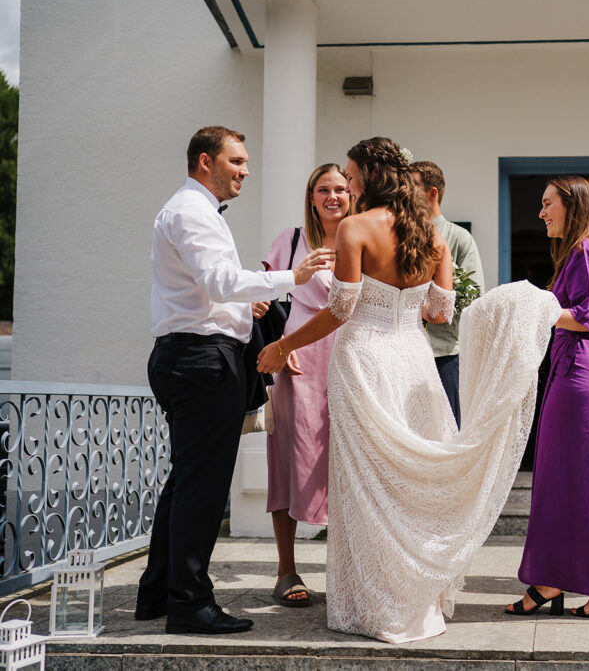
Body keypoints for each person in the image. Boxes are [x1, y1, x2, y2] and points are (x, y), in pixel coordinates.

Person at [256, 137, 561, 643]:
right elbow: (440, 312)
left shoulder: (355, 228)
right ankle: (412, 596)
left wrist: (282, 344)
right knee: (407, 484)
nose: (348, 184)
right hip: (414, 361)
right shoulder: (431, 234)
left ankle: (375, 601)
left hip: (364, 361)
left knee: (366, 483)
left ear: (371, 176)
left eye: (351, 176)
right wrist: (401, 303)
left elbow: (340, 310)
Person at [139, 125, 334, 634]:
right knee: (202, 489)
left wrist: (247, 307)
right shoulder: (192, 212)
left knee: (186, 482)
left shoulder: (193, 210)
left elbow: (209, 292)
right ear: (206, 161)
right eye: (237, 161)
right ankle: (189, 604)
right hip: (201, 361)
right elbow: (221, 282)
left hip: (193, 356)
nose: (246, 171)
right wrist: (292, 277)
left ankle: (158, 592)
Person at [508, 176, 589, 622]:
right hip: (575, 369)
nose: (541, 213)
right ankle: (556, 580)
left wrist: (531, 308)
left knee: (586, 481)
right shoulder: (583, 251)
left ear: (572, 205)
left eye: (548, 204)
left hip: (581, 372)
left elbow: (588, 318)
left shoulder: (584, 251)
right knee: (562, 480)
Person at [263, 163, 352, 607]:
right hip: (298, 360)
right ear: (311, 197)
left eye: (340, 188)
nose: (332, 196)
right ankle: (286, 570)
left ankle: (349, 571)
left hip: (349, 358)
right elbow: (259, 295)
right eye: (323, 189)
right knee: (288, 459)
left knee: (350, 460)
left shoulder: (361, 239)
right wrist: (275, 341)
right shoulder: (292, 239)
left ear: (352, 194)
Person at [409, 161, 485, 427]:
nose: (404, 192)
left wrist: (426, 306)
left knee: (447, 431)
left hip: (444, 355)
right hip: (405, 353)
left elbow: (473, 296)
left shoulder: (460, 238)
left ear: (432, 193)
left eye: (412, 186)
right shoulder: (398, 238)